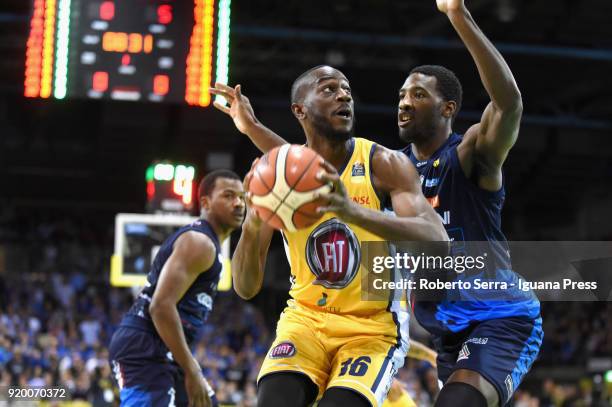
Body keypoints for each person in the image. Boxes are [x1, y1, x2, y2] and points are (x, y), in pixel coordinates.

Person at [214, 66, 448, 407]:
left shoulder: (383, 164)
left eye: (347, 90)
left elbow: (437, 242)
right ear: (299, 110)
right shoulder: (276, 179)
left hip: (371, 329)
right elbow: (246, 287)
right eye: (328, 89)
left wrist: (352, 211)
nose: (344, 95)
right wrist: (252, 222)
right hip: (305, 321)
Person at [395, 1, 543, 406]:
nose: (405, 102)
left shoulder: (469, 155)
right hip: (446, 331)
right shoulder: (390, 170)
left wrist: (458, 15)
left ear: (448, 109)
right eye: (402, 95)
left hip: (501, 318)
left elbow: (509, 104)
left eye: (418, 95)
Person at [108, 170, 246, 407]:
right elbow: (160, 306)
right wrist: (193, 369)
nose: (238, 203)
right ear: (206, 203)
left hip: (163, 349)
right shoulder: (199, 242)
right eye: (228, 196)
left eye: (242, 197)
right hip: (146, 348)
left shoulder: (208, 244)